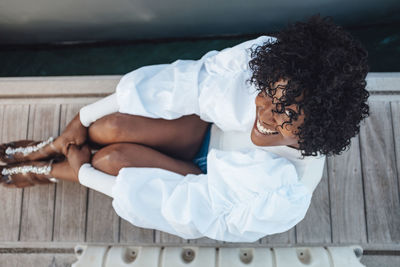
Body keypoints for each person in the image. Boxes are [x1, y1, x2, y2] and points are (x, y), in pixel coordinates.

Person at [0, 14, 369, 242]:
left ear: (314, 130)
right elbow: (188, 83)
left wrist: (86, 174)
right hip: (208, 129)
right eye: (269, 95)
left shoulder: (283, 193)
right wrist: (79, 119)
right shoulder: (271, 66)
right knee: (107, 126)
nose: (267, 114)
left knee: (110, 161)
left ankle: (52, 170)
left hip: (208, 182)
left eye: (287, 116)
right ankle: (58, 143)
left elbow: (189, 209)